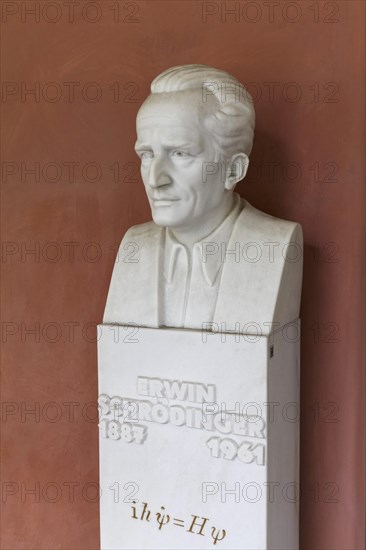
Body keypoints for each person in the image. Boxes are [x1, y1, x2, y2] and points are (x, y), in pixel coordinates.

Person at [103, 64, 303, 335]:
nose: (155, 179)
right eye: (147, 155)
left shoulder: (273, 246)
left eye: (180, 154)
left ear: (233, 169)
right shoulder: (134, 249)